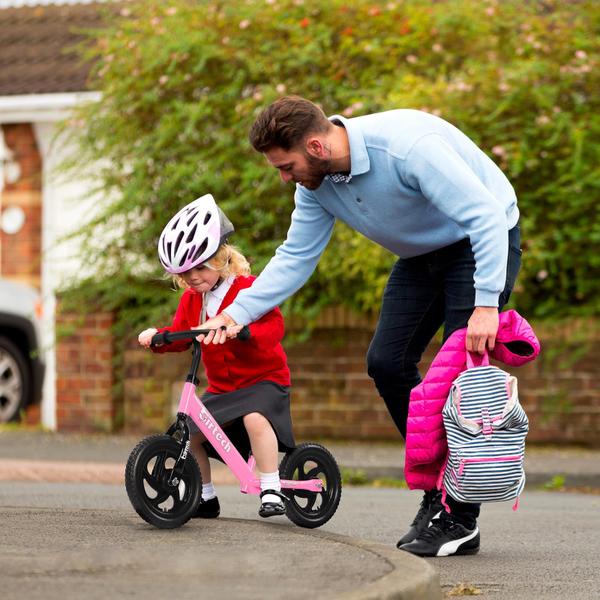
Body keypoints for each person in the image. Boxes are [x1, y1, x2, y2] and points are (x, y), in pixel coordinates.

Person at [199, 96, 522, 556]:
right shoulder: (315, 185)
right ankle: (439, 488)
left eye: (286, 166)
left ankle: (460, 516)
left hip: (479, 242)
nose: (285, 177)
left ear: (316, 145)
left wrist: (486, 303)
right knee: (386, 363)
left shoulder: (410, 147)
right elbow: (296, 257)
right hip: (419, 257)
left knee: (459, 380)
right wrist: (235, 313)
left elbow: (485, 215)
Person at [138, 193, 294, 519]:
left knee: (255, 417)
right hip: (223, 388)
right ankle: (204, 496)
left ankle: (271, 487)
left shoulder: (248, 289)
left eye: (199, 268)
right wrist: (158, 338)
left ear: (221, 256)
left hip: (263, 381)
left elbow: (274, 327)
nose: (193, 279)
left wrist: (246, 331)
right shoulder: (193, 301)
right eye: (184, 274)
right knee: (191, 431)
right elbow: (181, 335)